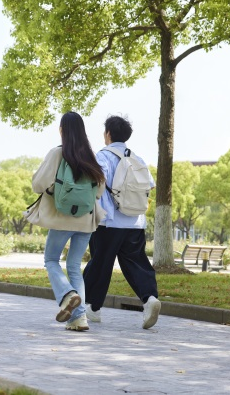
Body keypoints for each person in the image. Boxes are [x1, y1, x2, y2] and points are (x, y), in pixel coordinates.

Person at [82, 115, 161, 329]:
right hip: (135, 222)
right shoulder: (137, 159)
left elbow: (97, 184)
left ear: (108, 134)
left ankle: (91, 306)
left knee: (100, 263)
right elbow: (149, 185)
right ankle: (149, 299)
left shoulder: (102, 156)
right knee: (137, 263)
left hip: (109, 221)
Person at [29, 112, 106, 331]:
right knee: (74, 267)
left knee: (51, 260)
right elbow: (99, 191)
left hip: (62, 218)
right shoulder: (90, 156)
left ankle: (67, 295)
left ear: (62, 130)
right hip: (87, 220)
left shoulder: (57, 154)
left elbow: (37, 185)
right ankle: (79, 319)